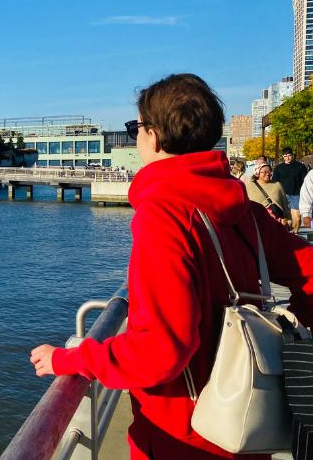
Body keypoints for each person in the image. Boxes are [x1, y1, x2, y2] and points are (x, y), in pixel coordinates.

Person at [29, 73, 313, 459]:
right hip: (248, 423)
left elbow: (160, 350)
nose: (136, 137)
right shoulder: (246, 213)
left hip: (180, 436)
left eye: (136, 128)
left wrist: (73, 357)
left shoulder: (163, 215)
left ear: (156, 137)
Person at [272, 148, 308, 232]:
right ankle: (288, 234)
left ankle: (295, 233)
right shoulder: (278, 168)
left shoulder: (300, 166)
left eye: (289, 156)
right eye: (285, 156)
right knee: (286, 219)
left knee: (297, 218)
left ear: (292, 155)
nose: (287, 158)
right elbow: (275, 182)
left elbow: (305, 181)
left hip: (296, 194)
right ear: (283, 157)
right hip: (282, 195)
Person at [245, 162, 291, 227]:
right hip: (258, 222)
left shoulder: (277, 185)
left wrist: (289, 220)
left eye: (269, 171)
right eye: (264, 172)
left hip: (277, 222)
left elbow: (285, 203)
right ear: (257, 173)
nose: (267, 174)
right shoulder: (249, 186)